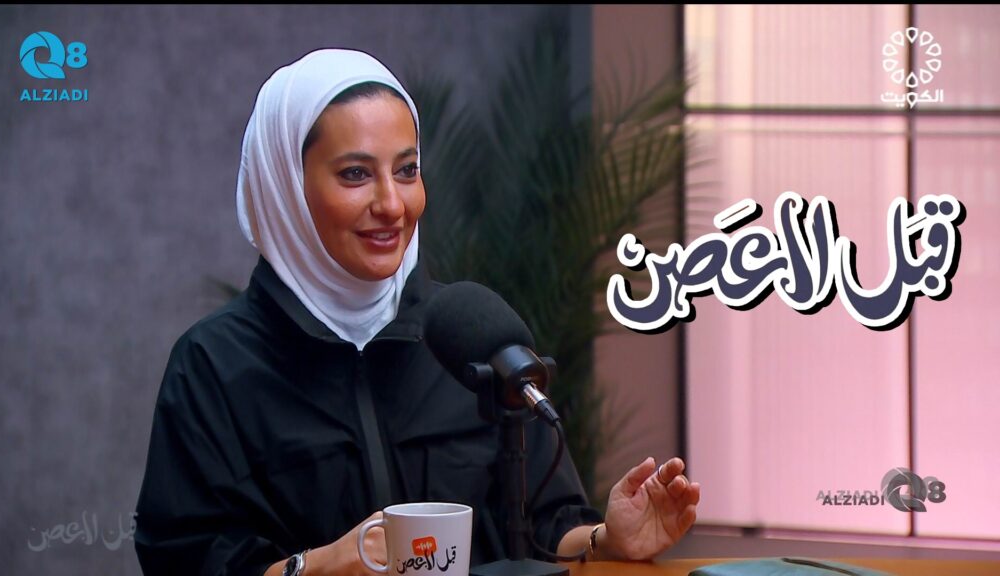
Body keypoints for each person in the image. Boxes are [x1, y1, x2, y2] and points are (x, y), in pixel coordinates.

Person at [134, 48, 701, 576]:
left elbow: (546, 530)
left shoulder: (470, 335)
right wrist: (319, 566)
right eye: (355, 174)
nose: (391, 204)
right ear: (286, 187)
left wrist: (607, 539)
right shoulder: (214, 366)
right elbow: (182, 561)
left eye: (406, 170)